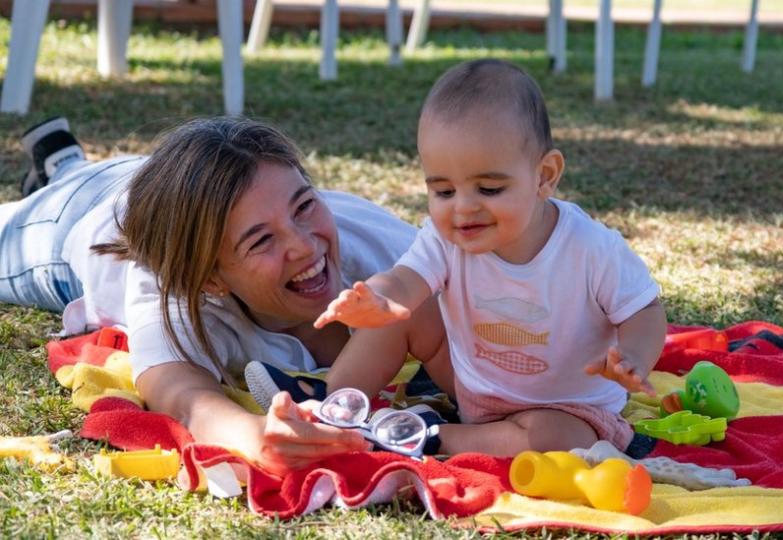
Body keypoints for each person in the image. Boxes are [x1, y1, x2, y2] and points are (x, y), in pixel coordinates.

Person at [0, 116, 453, 475]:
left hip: (165, 180)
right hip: (82, 217)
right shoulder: (171, 282)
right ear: (210, 279)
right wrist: (257, 437)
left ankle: (63, 160)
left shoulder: (384, 253)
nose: (303, 244)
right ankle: (66, 173)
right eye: (260, 241)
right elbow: (180, 393)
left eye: (304, 205)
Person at [314, 59, 668, 456]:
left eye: (488, 189)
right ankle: (331, 407)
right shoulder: (446, 240)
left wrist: (634, 356)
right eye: (444, 192)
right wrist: (377, 298)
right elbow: (404, 280)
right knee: (399, 315)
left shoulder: (590, 249)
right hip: (472, 386)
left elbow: (644, 310)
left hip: (565, 407)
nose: (463, 208)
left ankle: (428, 438)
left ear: (545, 176)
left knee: (561, 441)